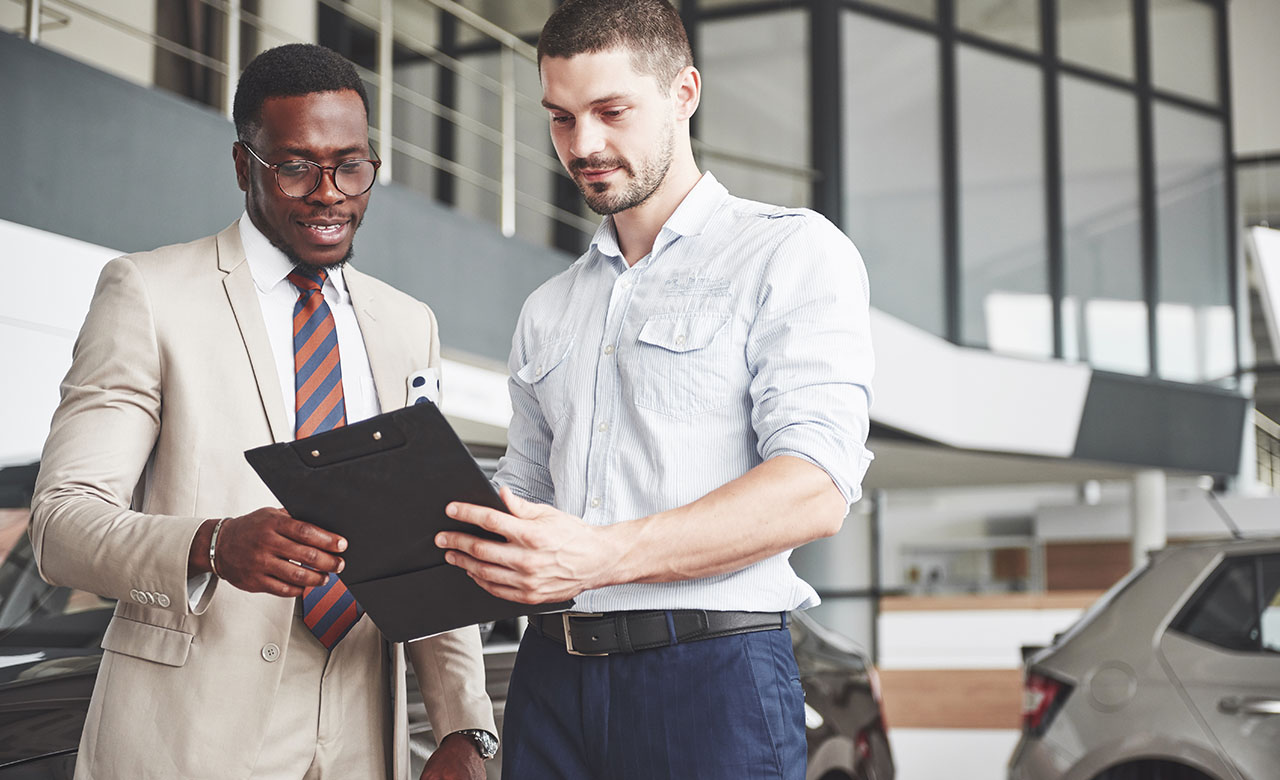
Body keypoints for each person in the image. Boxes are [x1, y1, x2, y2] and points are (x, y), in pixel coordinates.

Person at [31, 43, 496, 780]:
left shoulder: (410, 326)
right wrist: (211, 545)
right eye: (296, 165)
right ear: (246, 165)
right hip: (189, 736)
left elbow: (428, 539)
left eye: (351, 165)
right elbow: (61, 524)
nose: (330, 192)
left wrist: (466, 727)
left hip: (360, 738)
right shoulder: (149, 295)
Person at [434, 1, 874, 778]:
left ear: (684, 93)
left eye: (611, 111)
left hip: (712, 680)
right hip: (550, 679)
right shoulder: (549, 308)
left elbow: (815, 490)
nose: (584, 145)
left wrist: (598, 558)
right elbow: (528, 491)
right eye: (561, 119)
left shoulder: (791, 253)